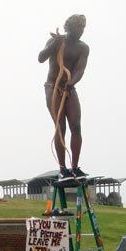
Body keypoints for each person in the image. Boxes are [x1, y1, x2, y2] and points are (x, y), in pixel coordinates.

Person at [38, 14, 90, 181]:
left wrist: (71, 83)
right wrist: (54, 43)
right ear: (70, 27)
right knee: (60, 127)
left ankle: (75, 168)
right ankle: (62, 169)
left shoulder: (83, 48)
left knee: (76, 126)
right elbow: (41, 58)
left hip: (69, 87)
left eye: (83, 27)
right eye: (78, 27)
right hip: (52, 87)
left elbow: (80, 69)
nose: (81, 31)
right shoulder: (58, 41)